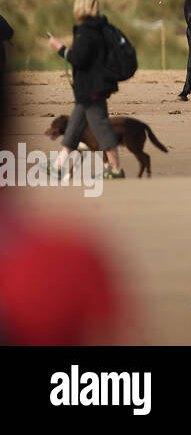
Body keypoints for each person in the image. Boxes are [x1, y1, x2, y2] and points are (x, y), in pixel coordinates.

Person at [0, 63, 126, 344]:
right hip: (95, 91)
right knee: (91, 124)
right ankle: (70, 163)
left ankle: (68, 164)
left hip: (88, 92)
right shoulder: (69, 264)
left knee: (89, 125)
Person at [46, 0, 125, 179]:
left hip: (91, 89)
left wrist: (60, 49)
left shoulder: (86, 31)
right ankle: (58, 165)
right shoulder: (101, 28)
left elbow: (78, 59)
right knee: (73, 128)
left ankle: (116, 168)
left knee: (102, 129)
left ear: (80, 7)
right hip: (92, 88)